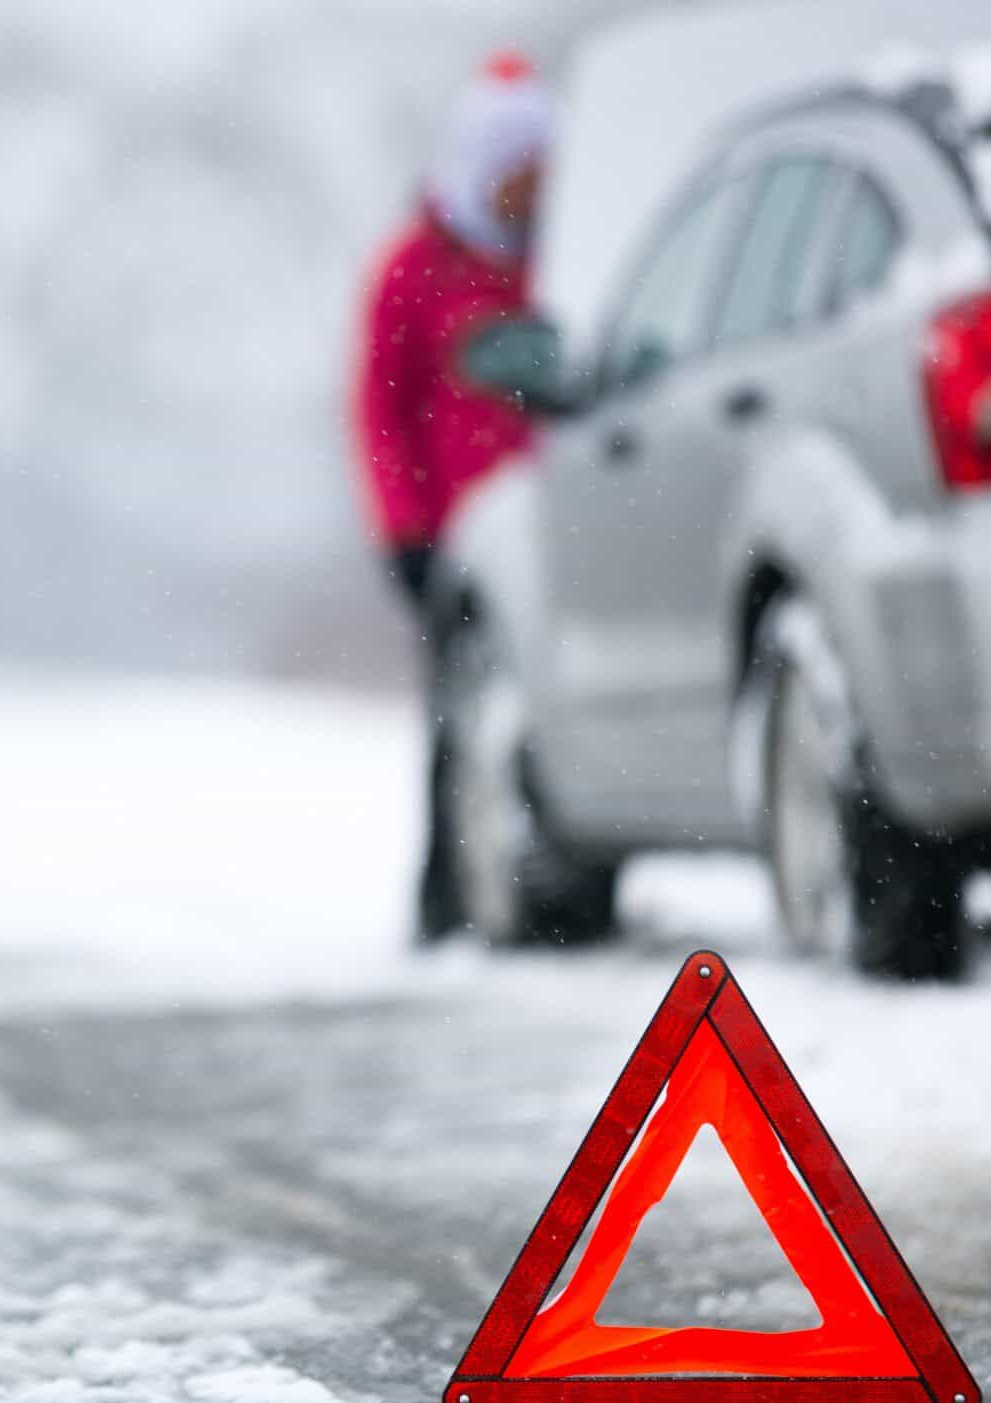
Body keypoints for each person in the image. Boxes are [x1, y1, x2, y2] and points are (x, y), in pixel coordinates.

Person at [351, 49, 553, 941]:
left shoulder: (556, 259)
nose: (529, 193)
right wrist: (407, 533)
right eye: (517, 174)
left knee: (543, 702)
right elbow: (381, 410)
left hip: (551, 529)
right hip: (456, 540)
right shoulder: (414, 268)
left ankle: (550, 888)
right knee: (458, 713)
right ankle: (446, 898)